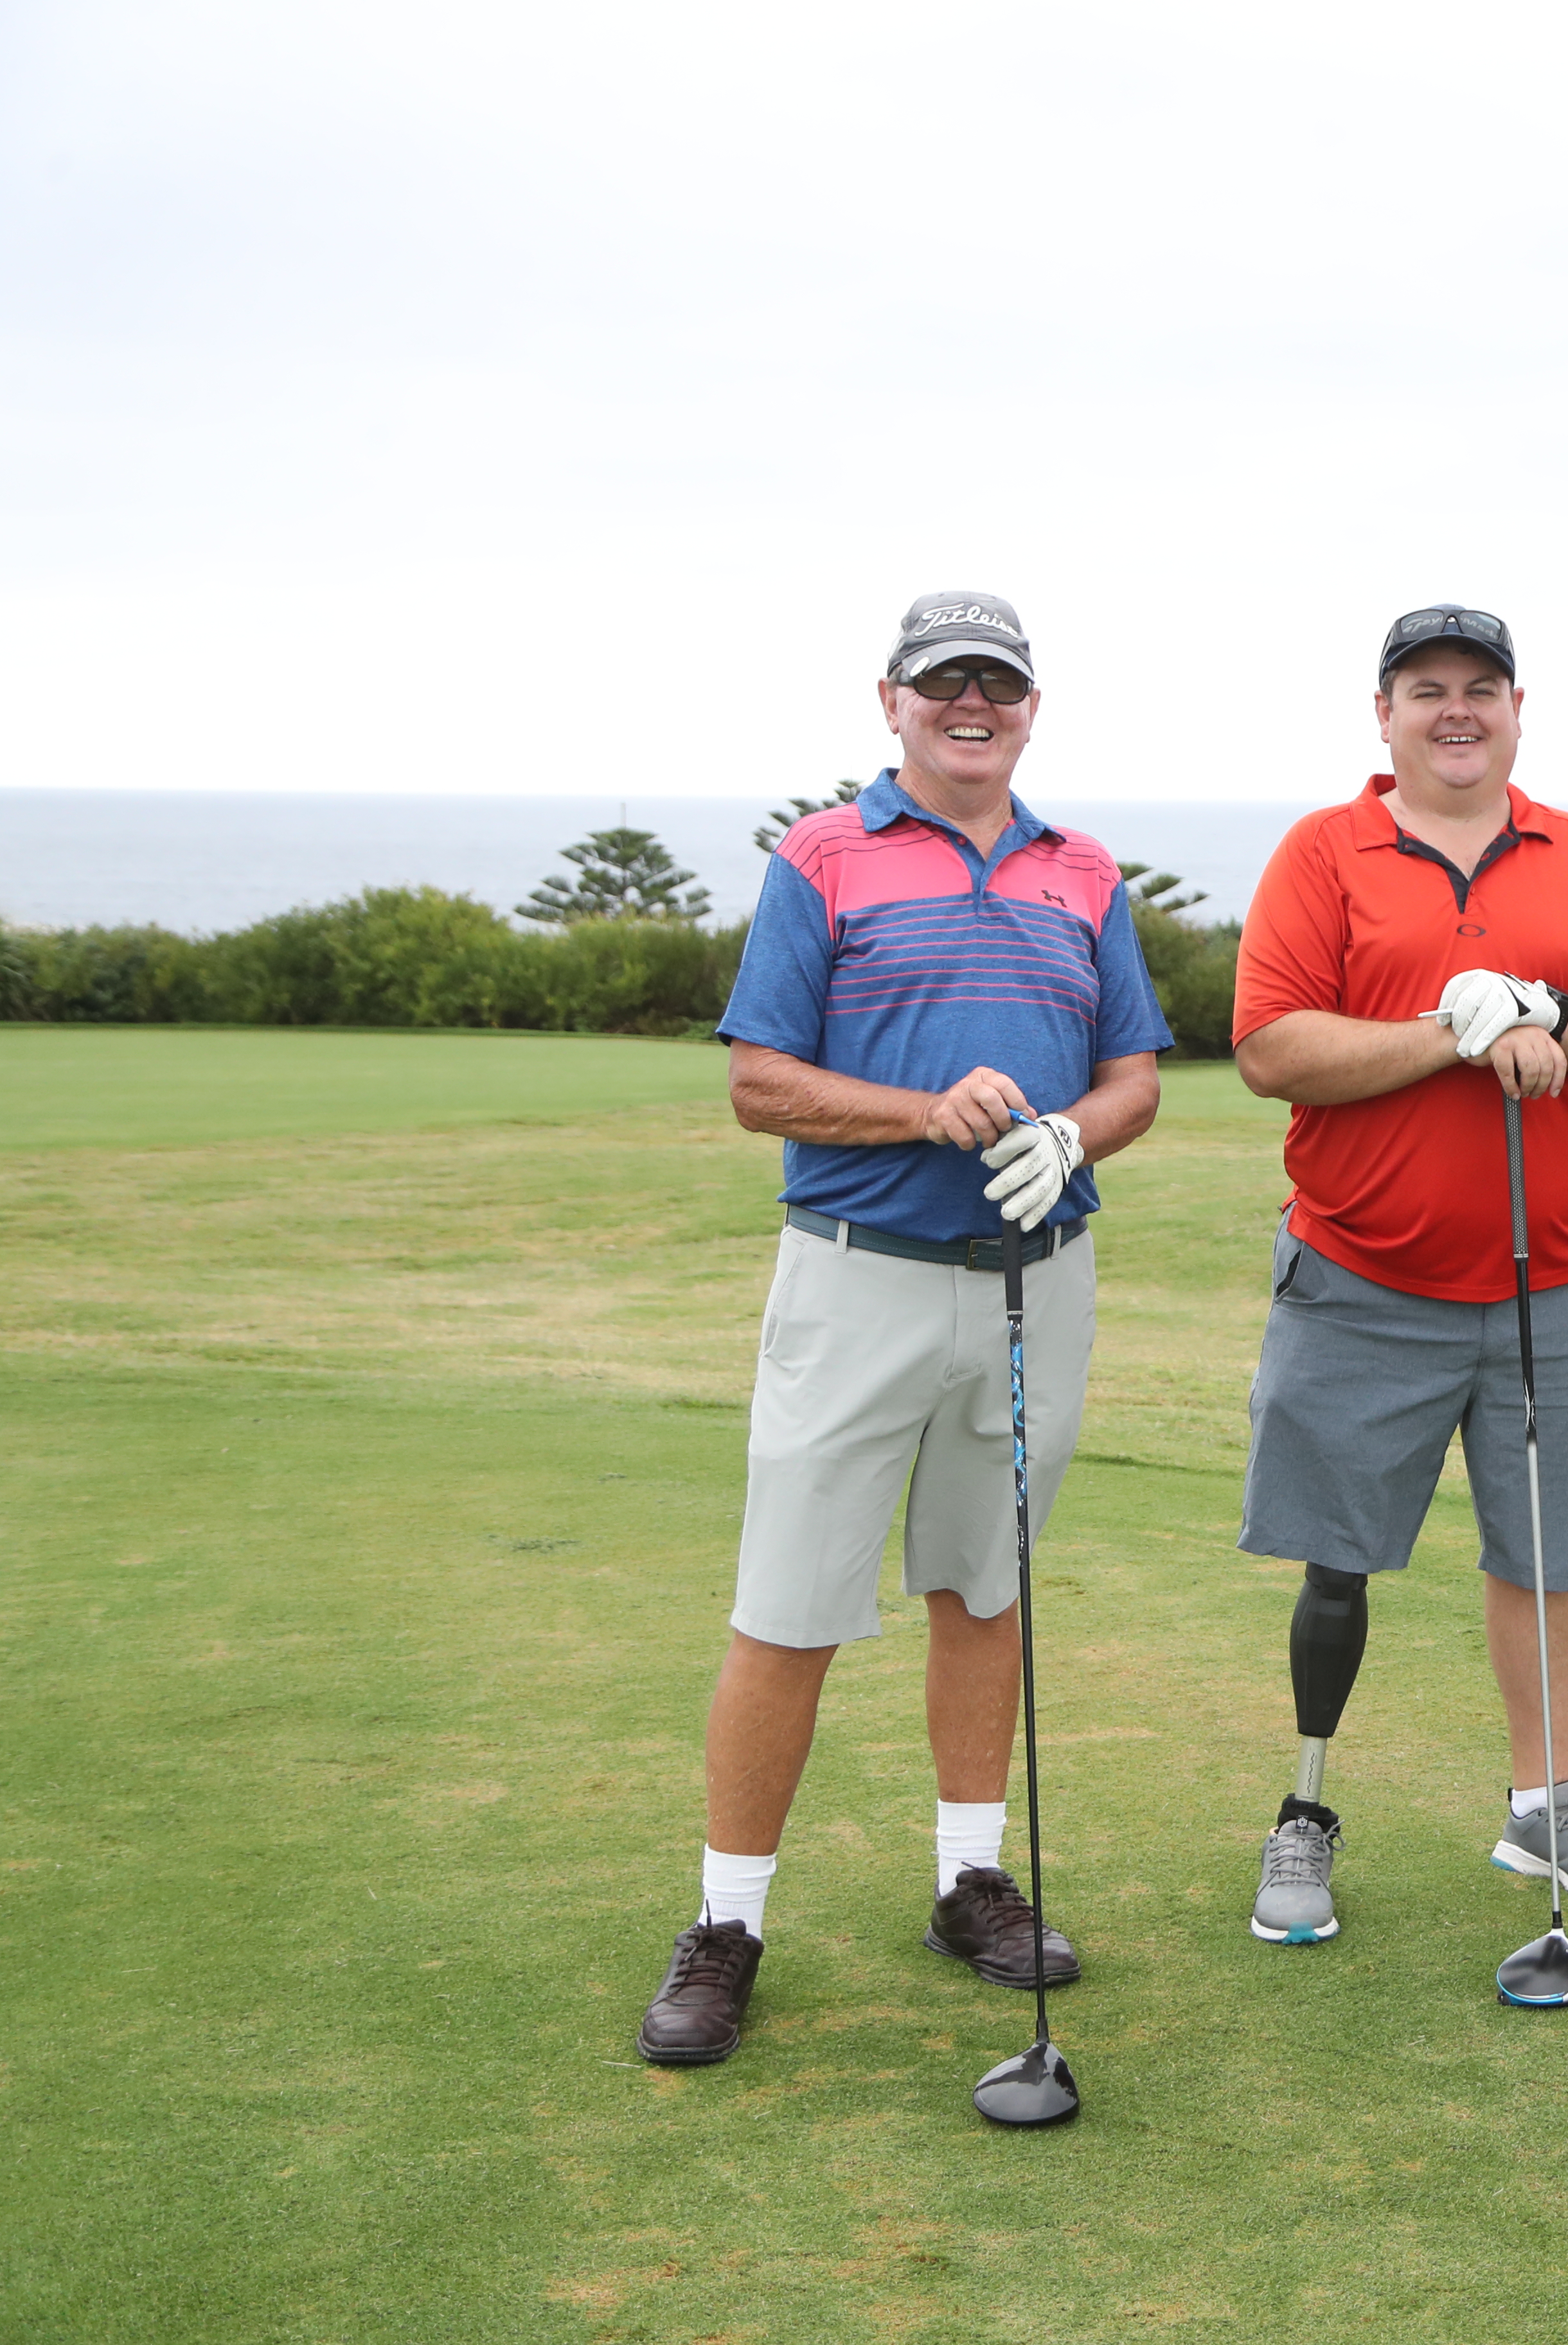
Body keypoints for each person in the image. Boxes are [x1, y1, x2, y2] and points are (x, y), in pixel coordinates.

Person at [636, 591, 1173, 2067]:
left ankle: (968, 1883)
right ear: (894, 702)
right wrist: (923, 1114)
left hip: (1035, 1280)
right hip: (857, 1275)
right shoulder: (822, 856)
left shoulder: (1083, 871)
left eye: (998, 681)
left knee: (985, 1589)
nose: (971, 704)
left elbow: (1134, 1076)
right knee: (790, 1606)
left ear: (1031, 706)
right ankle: (727, 1925)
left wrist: (1072, 1136)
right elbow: (759, 1081)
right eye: (945, 682)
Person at [1229, 604, 1568, 1946]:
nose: (1456, 710)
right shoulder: (1324, 853)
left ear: (1516, 709)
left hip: (1567, 1281)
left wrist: (1552, 1012)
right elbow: (1271, 1046)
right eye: (1426, 688)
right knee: (1336, 1559)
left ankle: (1547, 1802)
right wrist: (1455, 1028)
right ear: (1384, 714)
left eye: (1480, 688)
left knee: (1554, 1554)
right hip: (1361, 1279)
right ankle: (1306, 1811)